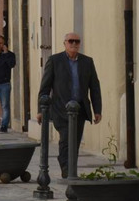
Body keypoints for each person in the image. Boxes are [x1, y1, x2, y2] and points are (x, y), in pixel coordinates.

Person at [37, 32, 102, 179]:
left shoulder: (87, 62)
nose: (74, 44)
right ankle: (66, 167)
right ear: (65, 43)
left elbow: (94, 87)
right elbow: (45, 87)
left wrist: (97, 110)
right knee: (66, 138)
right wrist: (41, 110)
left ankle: (71, 167)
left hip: (79, 108)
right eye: (71, 41)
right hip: (61, 108)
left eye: (77, 42)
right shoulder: (55, 61)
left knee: (76, 141)